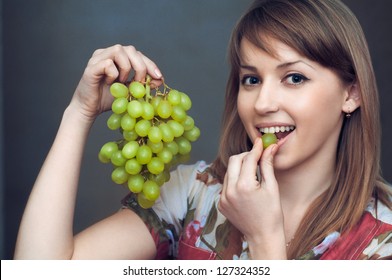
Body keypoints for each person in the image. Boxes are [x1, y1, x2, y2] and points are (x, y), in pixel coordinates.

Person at [14, 0, 392, 260]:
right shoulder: (192, 196)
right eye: (250, 79)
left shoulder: (382, 240)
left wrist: (263, 238)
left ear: (351, 93)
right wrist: (79, 113)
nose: (262, 104)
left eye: (294, 77)